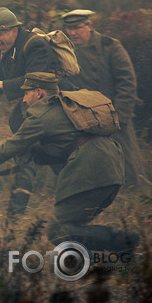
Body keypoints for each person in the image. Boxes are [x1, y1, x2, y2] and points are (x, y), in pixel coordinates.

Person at [0, 73, 138, 252]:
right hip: (111, 168)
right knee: (71, 227)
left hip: (91, 172)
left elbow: (10, 147)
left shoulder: (40, 117)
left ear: (40, 92)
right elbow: (61, 148)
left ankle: (125, 242)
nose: (24, 100)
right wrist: (29, 152)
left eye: (26, 94)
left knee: (58, 231)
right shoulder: (64, 108)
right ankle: (107, 259)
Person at [0, 7, 57, 215]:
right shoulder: (9, 50)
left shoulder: (35, 44)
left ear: (13, 31)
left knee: (34, 148)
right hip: (34, 105)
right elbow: (1, 78)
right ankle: (24, 198)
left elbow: (36, 80)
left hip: (54, 104)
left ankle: (19, 208)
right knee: (26, 142)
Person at [62, 9, 147, 188]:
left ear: (89, 26)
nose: (72, 33)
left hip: (113, 115)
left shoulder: (110, 46)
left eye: (77, 27)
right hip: (82, 117)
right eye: (69, 28)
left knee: (129, 174)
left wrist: (120, 118)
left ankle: (133, 197)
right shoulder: (67, 51)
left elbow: (127, 83)